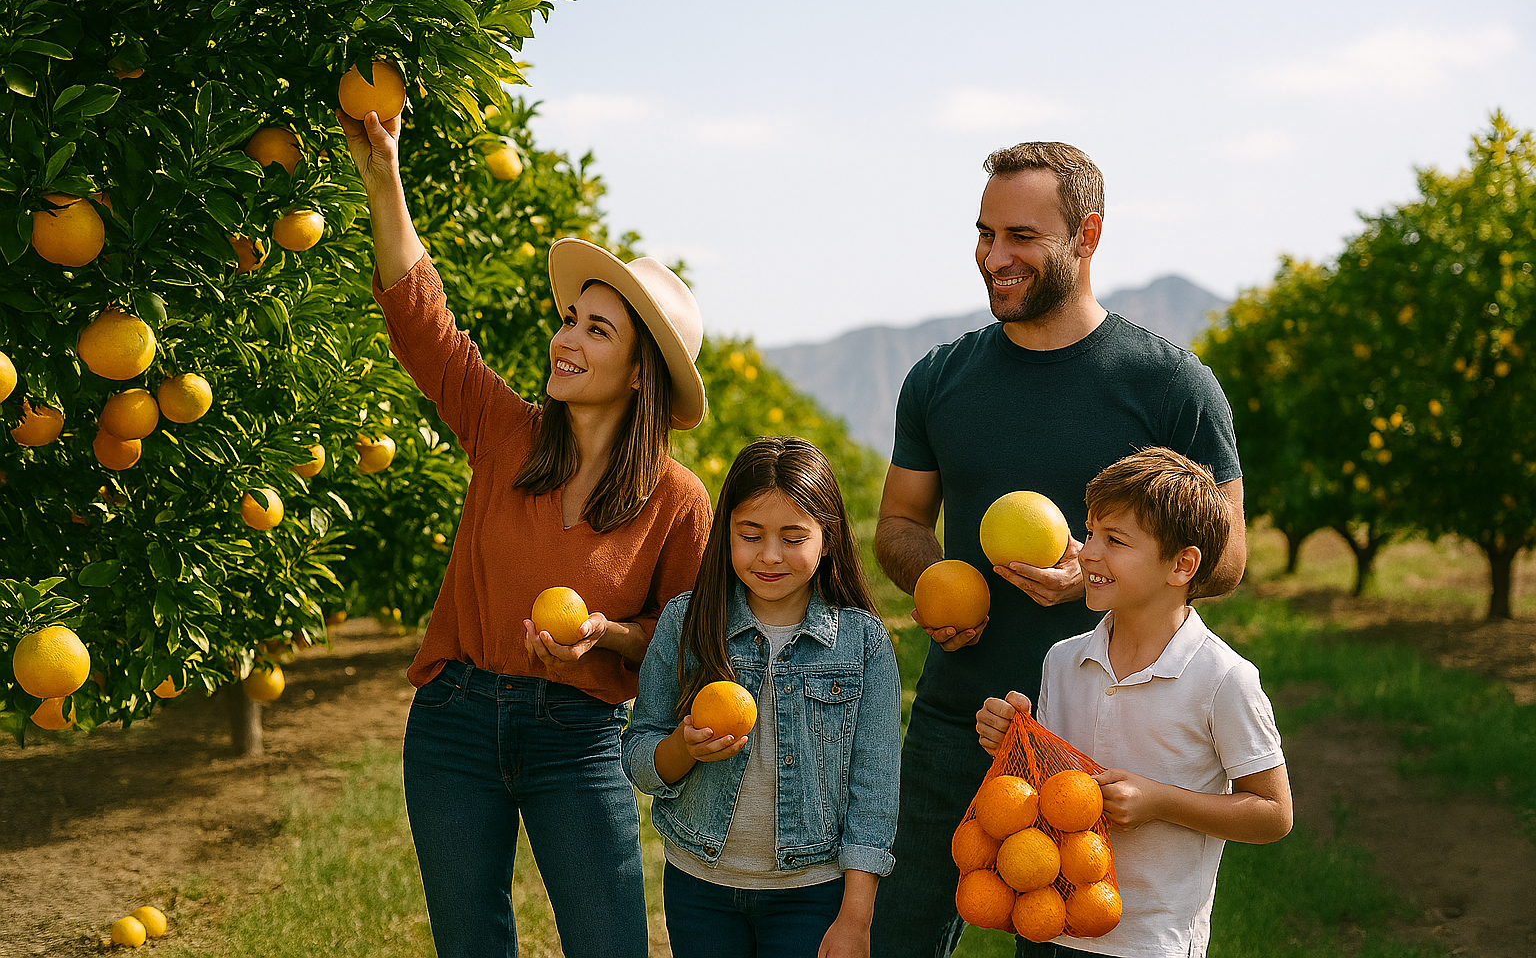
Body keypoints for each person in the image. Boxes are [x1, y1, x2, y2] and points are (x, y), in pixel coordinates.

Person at [338, 105, 713, 958]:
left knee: (609, 941)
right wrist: (383, 178)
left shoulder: (677, 500)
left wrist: (604, 636)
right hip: (455, 722)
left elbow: (685, 641)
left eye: (595, 328)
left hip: (576, 739)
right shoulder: (507, 432)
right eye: (569, 319)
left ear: (639, 369)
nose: (564, 338)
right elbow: (421, 322)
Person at [869, 142, 1248, 958]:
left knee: (1061, 943)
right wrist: (937, 582)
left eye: (1021, 237)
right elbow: (898, 523)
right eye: (983, 234)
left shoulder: (1172, 387)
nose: (993, 258)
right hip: (956, 718)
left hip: (1094, 740)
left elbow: (1225, 559)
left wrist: (1096, 575)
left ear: (1088, 235)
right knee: (898, 938)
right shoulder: (940, 380)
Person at [975, 447, 1292, 957]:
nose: (1087, 553)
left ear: (1182, 565)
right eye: (1091, 532)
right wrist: (1015, 742)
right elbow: (1054, 792)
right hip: (1052, 920)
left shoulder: (1222, 678)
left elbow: (1274, 813)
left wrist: (1160, 801)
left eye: (1115, 540)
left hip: (1152, 941)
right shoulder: (1063, 660)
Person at [621, 436, 902, 958]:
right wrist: (684, 748)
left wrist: (856, 918)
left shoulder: (862, 643)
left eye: (793, 537)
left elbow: (876, 794)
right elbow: (639, 754)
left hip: (811, 893)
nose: (769, 556)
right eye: (750, 535)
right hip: (699, 886)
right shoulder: (687, 624)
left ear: (827, 538)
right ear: (725, 532)